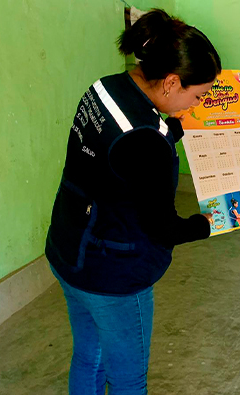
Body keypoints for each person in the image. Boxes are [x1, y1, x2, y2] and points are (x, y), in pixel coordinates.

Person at [44, 9, 221, 395]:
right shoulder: (146, 139)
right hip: (112, 273)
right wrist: (210, 223)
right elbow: (162, 227)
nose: (197, 105)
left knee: (89, 355)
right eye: (198, 95)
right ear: (172, 82)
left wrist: (170, 128)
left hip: (68, 246)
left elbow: (121, 153)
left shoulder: (106, 88)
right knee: (128, 379)